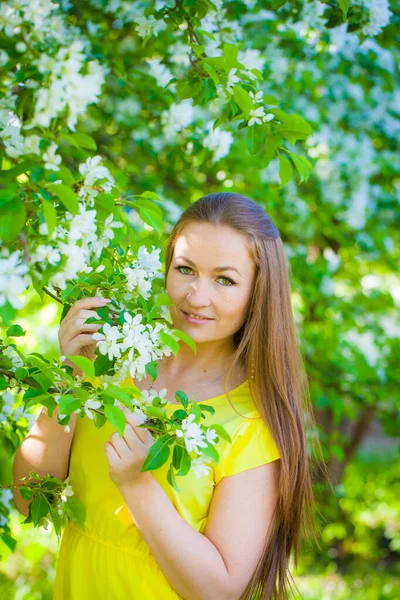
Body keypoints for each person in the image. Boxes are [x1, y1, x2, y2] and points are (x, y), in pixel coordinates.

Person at [13, 192, 323, 600]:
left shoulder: (250, 422)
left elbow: (219, 589)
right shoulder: (114, 358)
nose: (196, 297)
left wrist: (138, 483)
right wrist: (72, 373)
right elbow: (26, 496)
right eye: (186, 269)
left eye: (224, 280)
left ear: (258, 293)